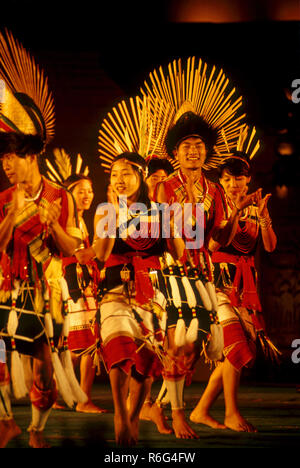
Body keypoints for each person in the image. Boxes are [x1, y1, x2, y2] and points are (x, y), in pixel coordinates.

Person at [0, 30, 81, 448]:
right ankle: (5, 423)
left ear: (30, 155)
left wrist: (54, 227)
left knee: (43, 369)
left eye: (10, 158)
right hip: (4, 290)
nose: (5, 166)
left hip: (44, 293)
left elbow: (71, 251)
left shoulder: (58, 196)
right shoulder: (1, 199)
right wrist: (10, 219)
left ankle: (34, 429)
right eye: (1, 160)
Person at [190, 133, 279, 432]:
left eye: (239, 179)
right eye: (227, 179)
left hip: (246, 286)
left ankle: (201, 410)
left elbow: (269, 247)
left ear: (248, 179)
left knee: (242, 353)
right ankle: (230, 412)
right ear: (221, 182)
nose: (233, 184)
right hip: (218, 283)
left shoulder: (256, 207)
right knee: (237, 348)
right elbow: (214, 247)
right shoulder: (214, 204)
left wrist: (264, 217)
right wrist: (237, 211)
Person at [58, 172, 107, 414]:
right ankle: (83, 399)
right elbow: (78, 256)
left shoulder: (79, 219)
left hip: (80, 284)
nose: (87, 195)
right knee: (87, 343)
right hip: (75, 284)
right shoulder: (69, 220)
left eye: (89, 190)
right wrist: (104, 245)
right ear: (68, 195)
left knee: (75, 345)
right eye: (81, 191)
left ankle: (57, 393)